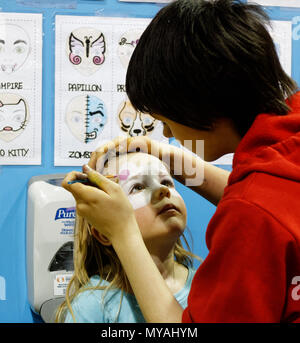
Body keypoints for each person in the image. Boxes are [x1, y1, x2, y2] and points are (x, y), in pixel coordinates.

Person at [63, 0, 300, 322]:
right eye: (136, 188)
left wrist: (124, 231)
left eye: (166, 119)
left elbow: (260, 209)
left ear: (200, 106)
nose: (165, 132)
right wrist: (170, 160)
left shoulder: (250, 214)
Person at [57, 152, 198, 323]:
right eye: (137, 187)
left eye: (166, 181)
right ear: (103, 233)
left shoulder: (207, 285)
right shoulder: (92, 306)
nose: (163, 190)